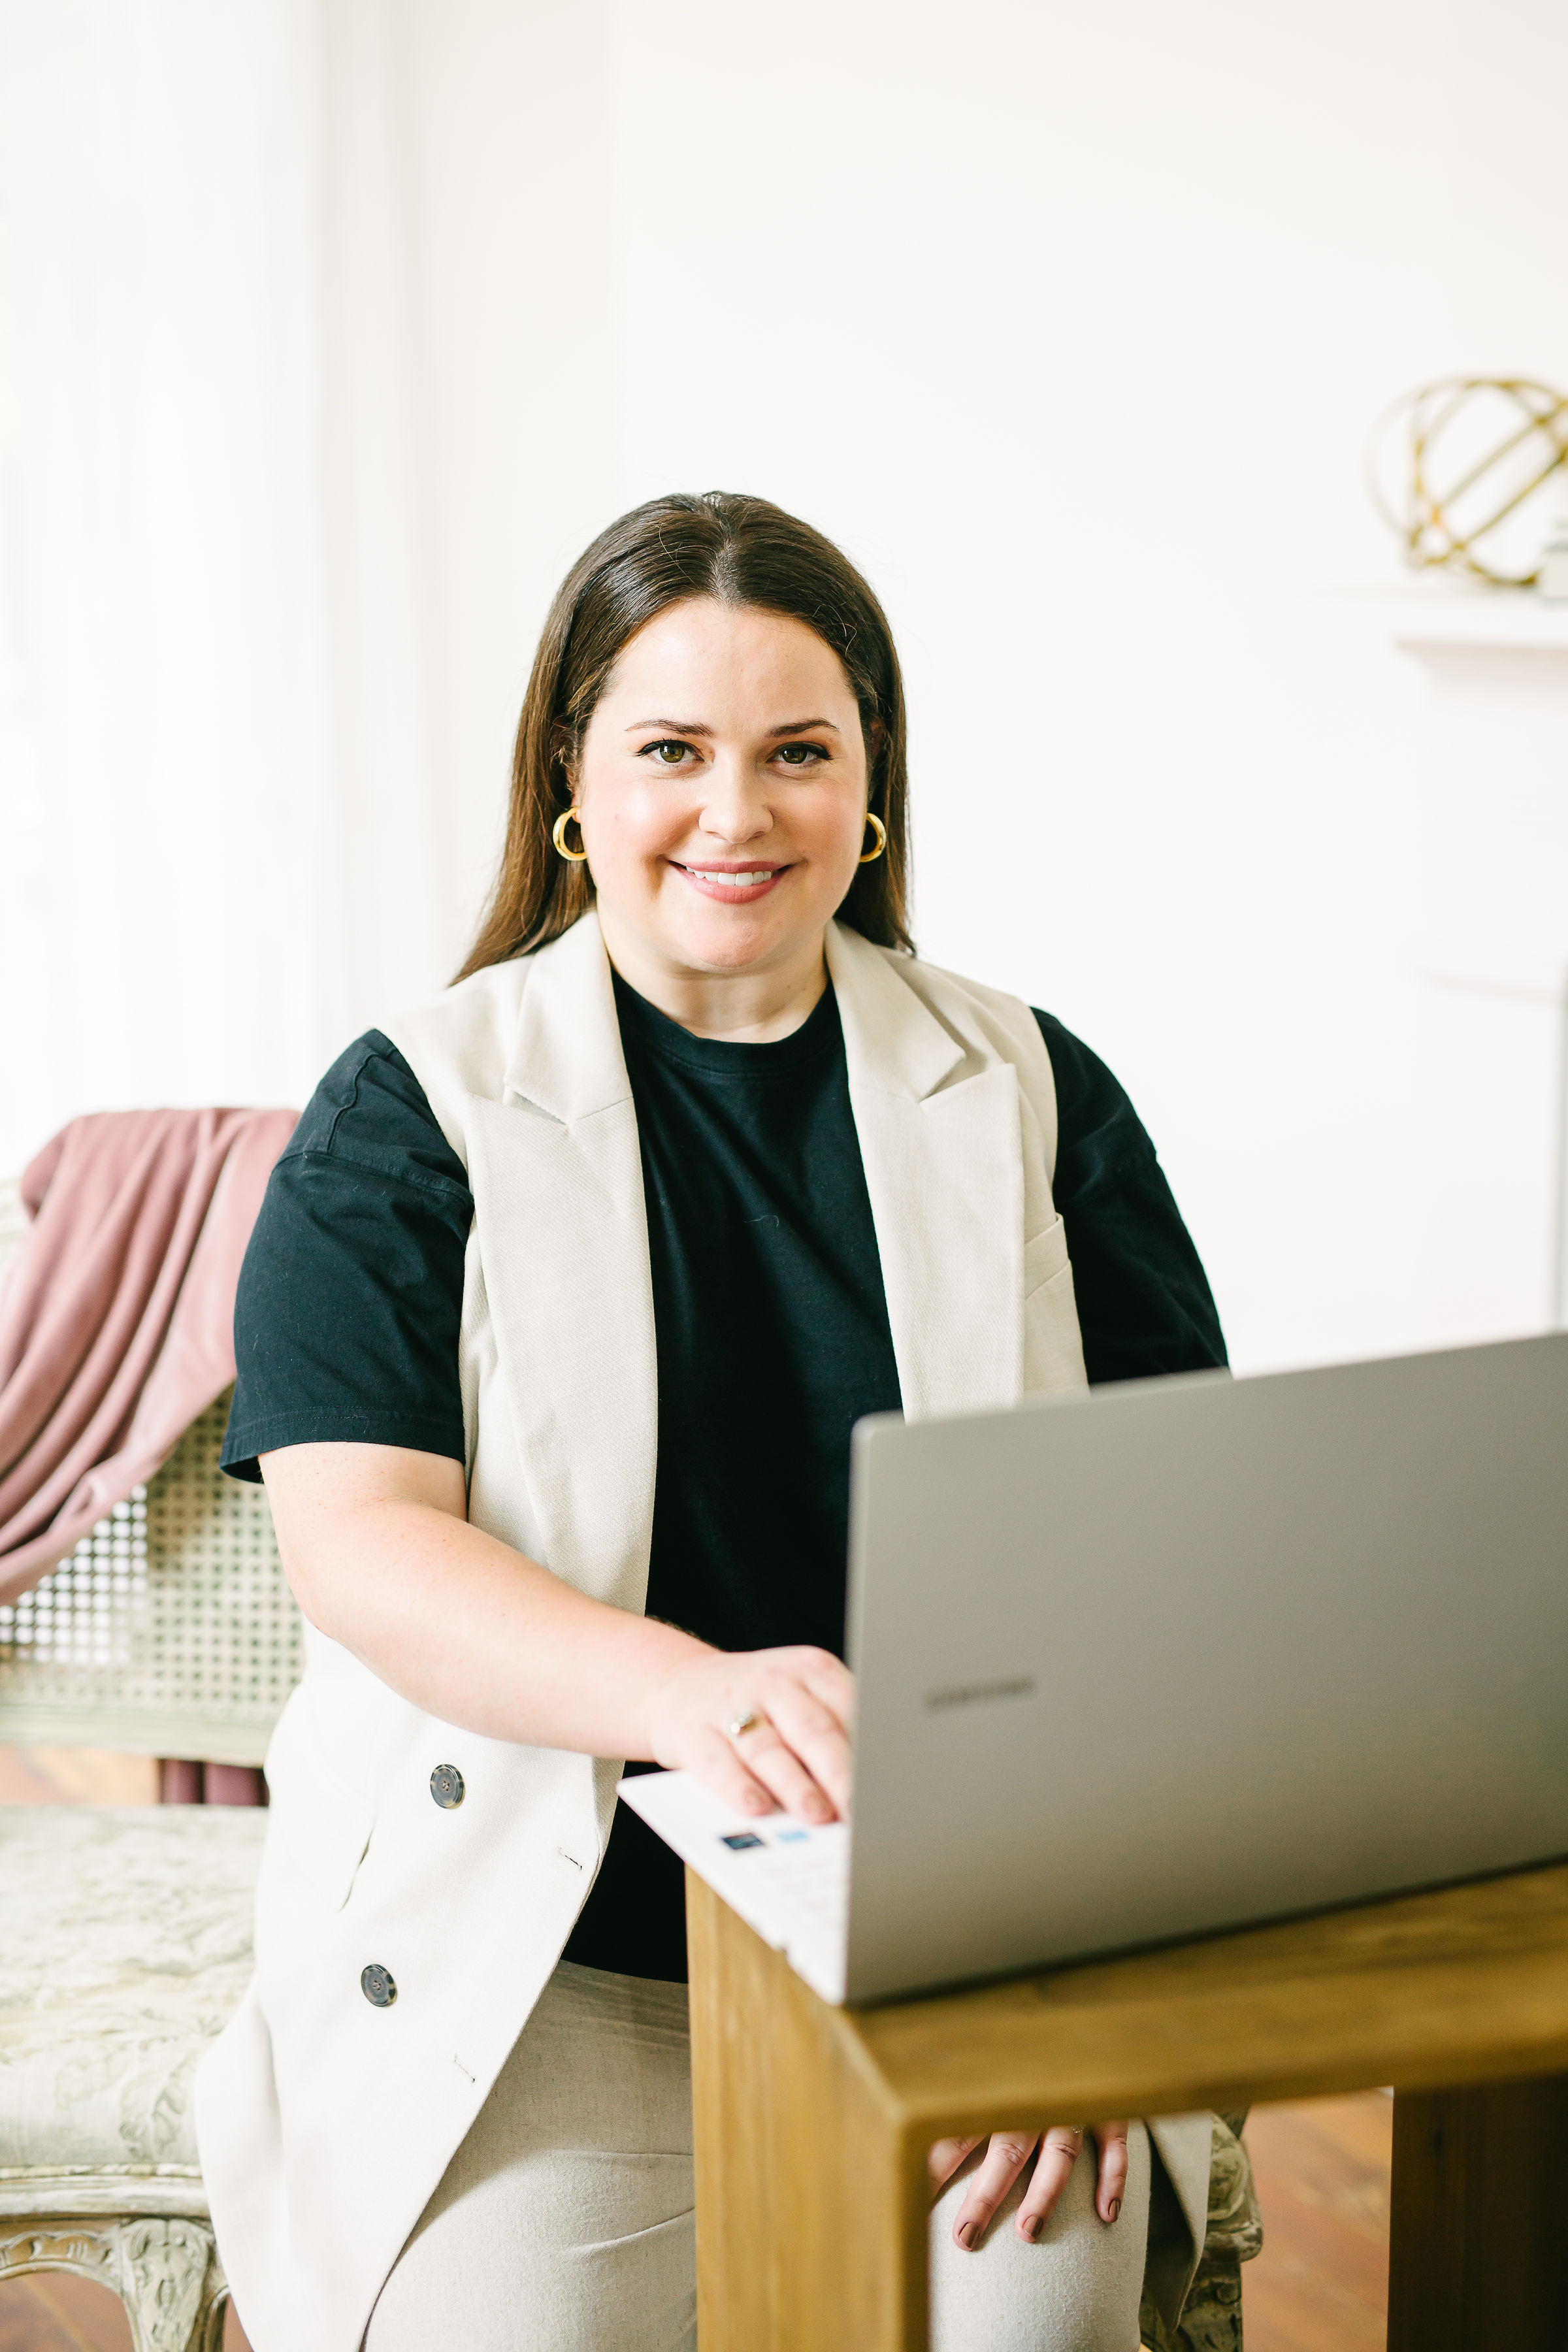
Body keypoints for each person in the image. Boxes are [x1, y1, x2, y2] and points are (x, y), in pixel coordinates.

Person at [195, 492, 1233, 2352]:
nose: (736, 813)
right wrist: (691, 1695)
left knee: (1036, 2329)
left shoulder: (1031, 1089)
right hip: (551, 1970)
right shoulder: (409, 1108)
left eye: (797, 753)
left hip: (955, 1943)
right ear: (573, 779)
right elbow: (361, 1544)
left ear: (872, 785)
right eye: (673, 750)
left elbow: (1172, 1543)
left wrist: (1064, 1975)